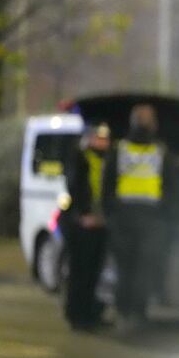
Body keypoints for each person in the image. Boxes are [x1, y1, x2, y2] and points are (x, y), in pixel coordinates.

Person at [102, 104, 179, 334]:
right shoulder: (161, 151)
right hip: (150, 220)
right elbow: (173, 188)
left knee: (126, 270)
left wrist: (111, 214)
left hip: (124, 219)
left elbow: (107, 186)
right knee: (141, 270)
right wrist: (168, 218)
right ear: (153, 124)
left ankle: (125, 313)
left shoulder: (120, 149)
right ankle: (135, 314)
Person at [61, 123, 111, 331]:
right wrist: (83, 215)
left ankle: (90, 313)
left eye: (105, 139)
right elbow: (74, 186)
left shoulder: (107, 160)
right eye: (98, 138)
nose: (103, 142)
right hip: (82, 224)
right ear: (89, 138)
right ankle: (76, 315)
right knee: (80, 272)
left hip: (101, 223)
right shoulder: (79, 157)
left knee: (94, 273)